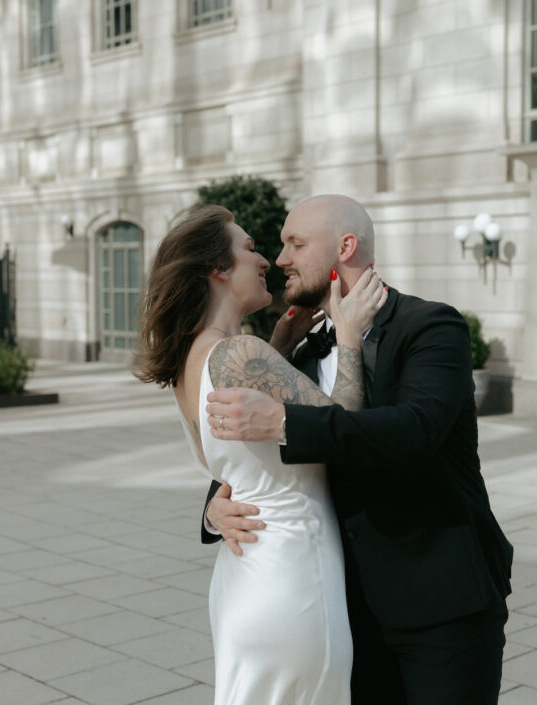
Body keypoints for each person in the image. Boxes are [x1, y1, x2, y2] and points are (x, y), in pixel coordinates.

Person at [202, 194, 514, 705]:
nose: (281, 259)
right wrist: (215, 505)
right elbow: (258, 454)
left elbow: (414, 430)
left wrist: (283, 420)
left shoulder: (432, 327)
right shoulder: (302, 351)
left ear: (345, 247)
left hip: (443, 606)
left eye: (295, 244)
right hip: (345, 613)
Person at [133, 204, 387, 705]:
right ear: (218, 270)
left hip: (243, 577)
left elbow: (231, 465)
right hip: (292, 577)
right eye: (249, 249)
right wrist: (351, 338)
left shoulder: (192, 361)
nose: (267, 260)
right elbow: (344, 426)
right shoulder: (238, 355)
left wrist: (276, 350)